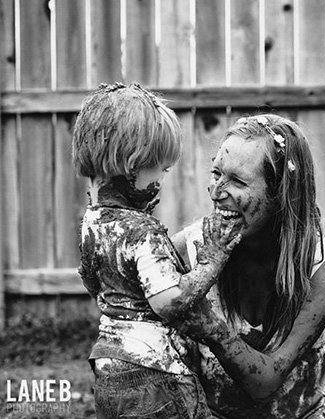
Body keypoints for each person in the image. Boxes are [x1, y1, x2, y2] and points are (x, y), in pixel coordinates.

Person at [72, 83, 240, 419]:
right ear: (132, 164)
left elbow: (92, 283)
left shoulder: (91, 225)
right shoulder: (141, 231)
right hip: (154, 373)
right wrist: (212, 260)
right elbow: (170, 303)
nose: (162, 180)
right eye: (160, 169)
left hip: (108, 366)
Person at [171, 113, 325, 419]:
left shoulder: (323, 268)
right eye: (216, 173)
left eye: (238, 181)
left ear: (282, 193)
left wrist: (212, 329)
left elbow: (265, 382)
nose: (216, 191)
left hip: (306, 413)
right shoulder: (188, 252)